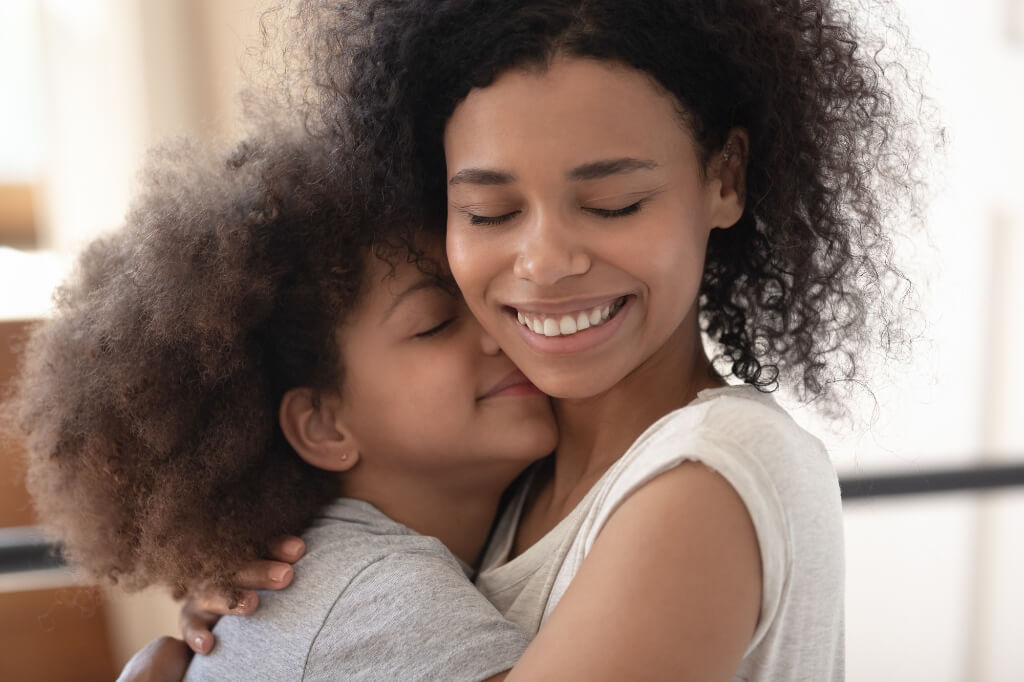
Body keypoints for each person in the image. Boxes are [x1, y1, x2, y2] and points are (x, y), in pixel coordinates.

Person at [139, 0, 932, 679]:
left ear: (723, 179)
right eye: (489, 213)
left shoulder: (712, 471)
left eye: (616, 203)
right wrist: (250, 629)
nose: (546, 263)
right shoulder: (511, 474)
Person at [6, 131, 560, 680]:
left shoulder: (338, 575)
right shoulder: (379, 595)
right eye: (437, 324)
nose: (497, 331)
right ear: (323, 425)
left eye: (485, 298)